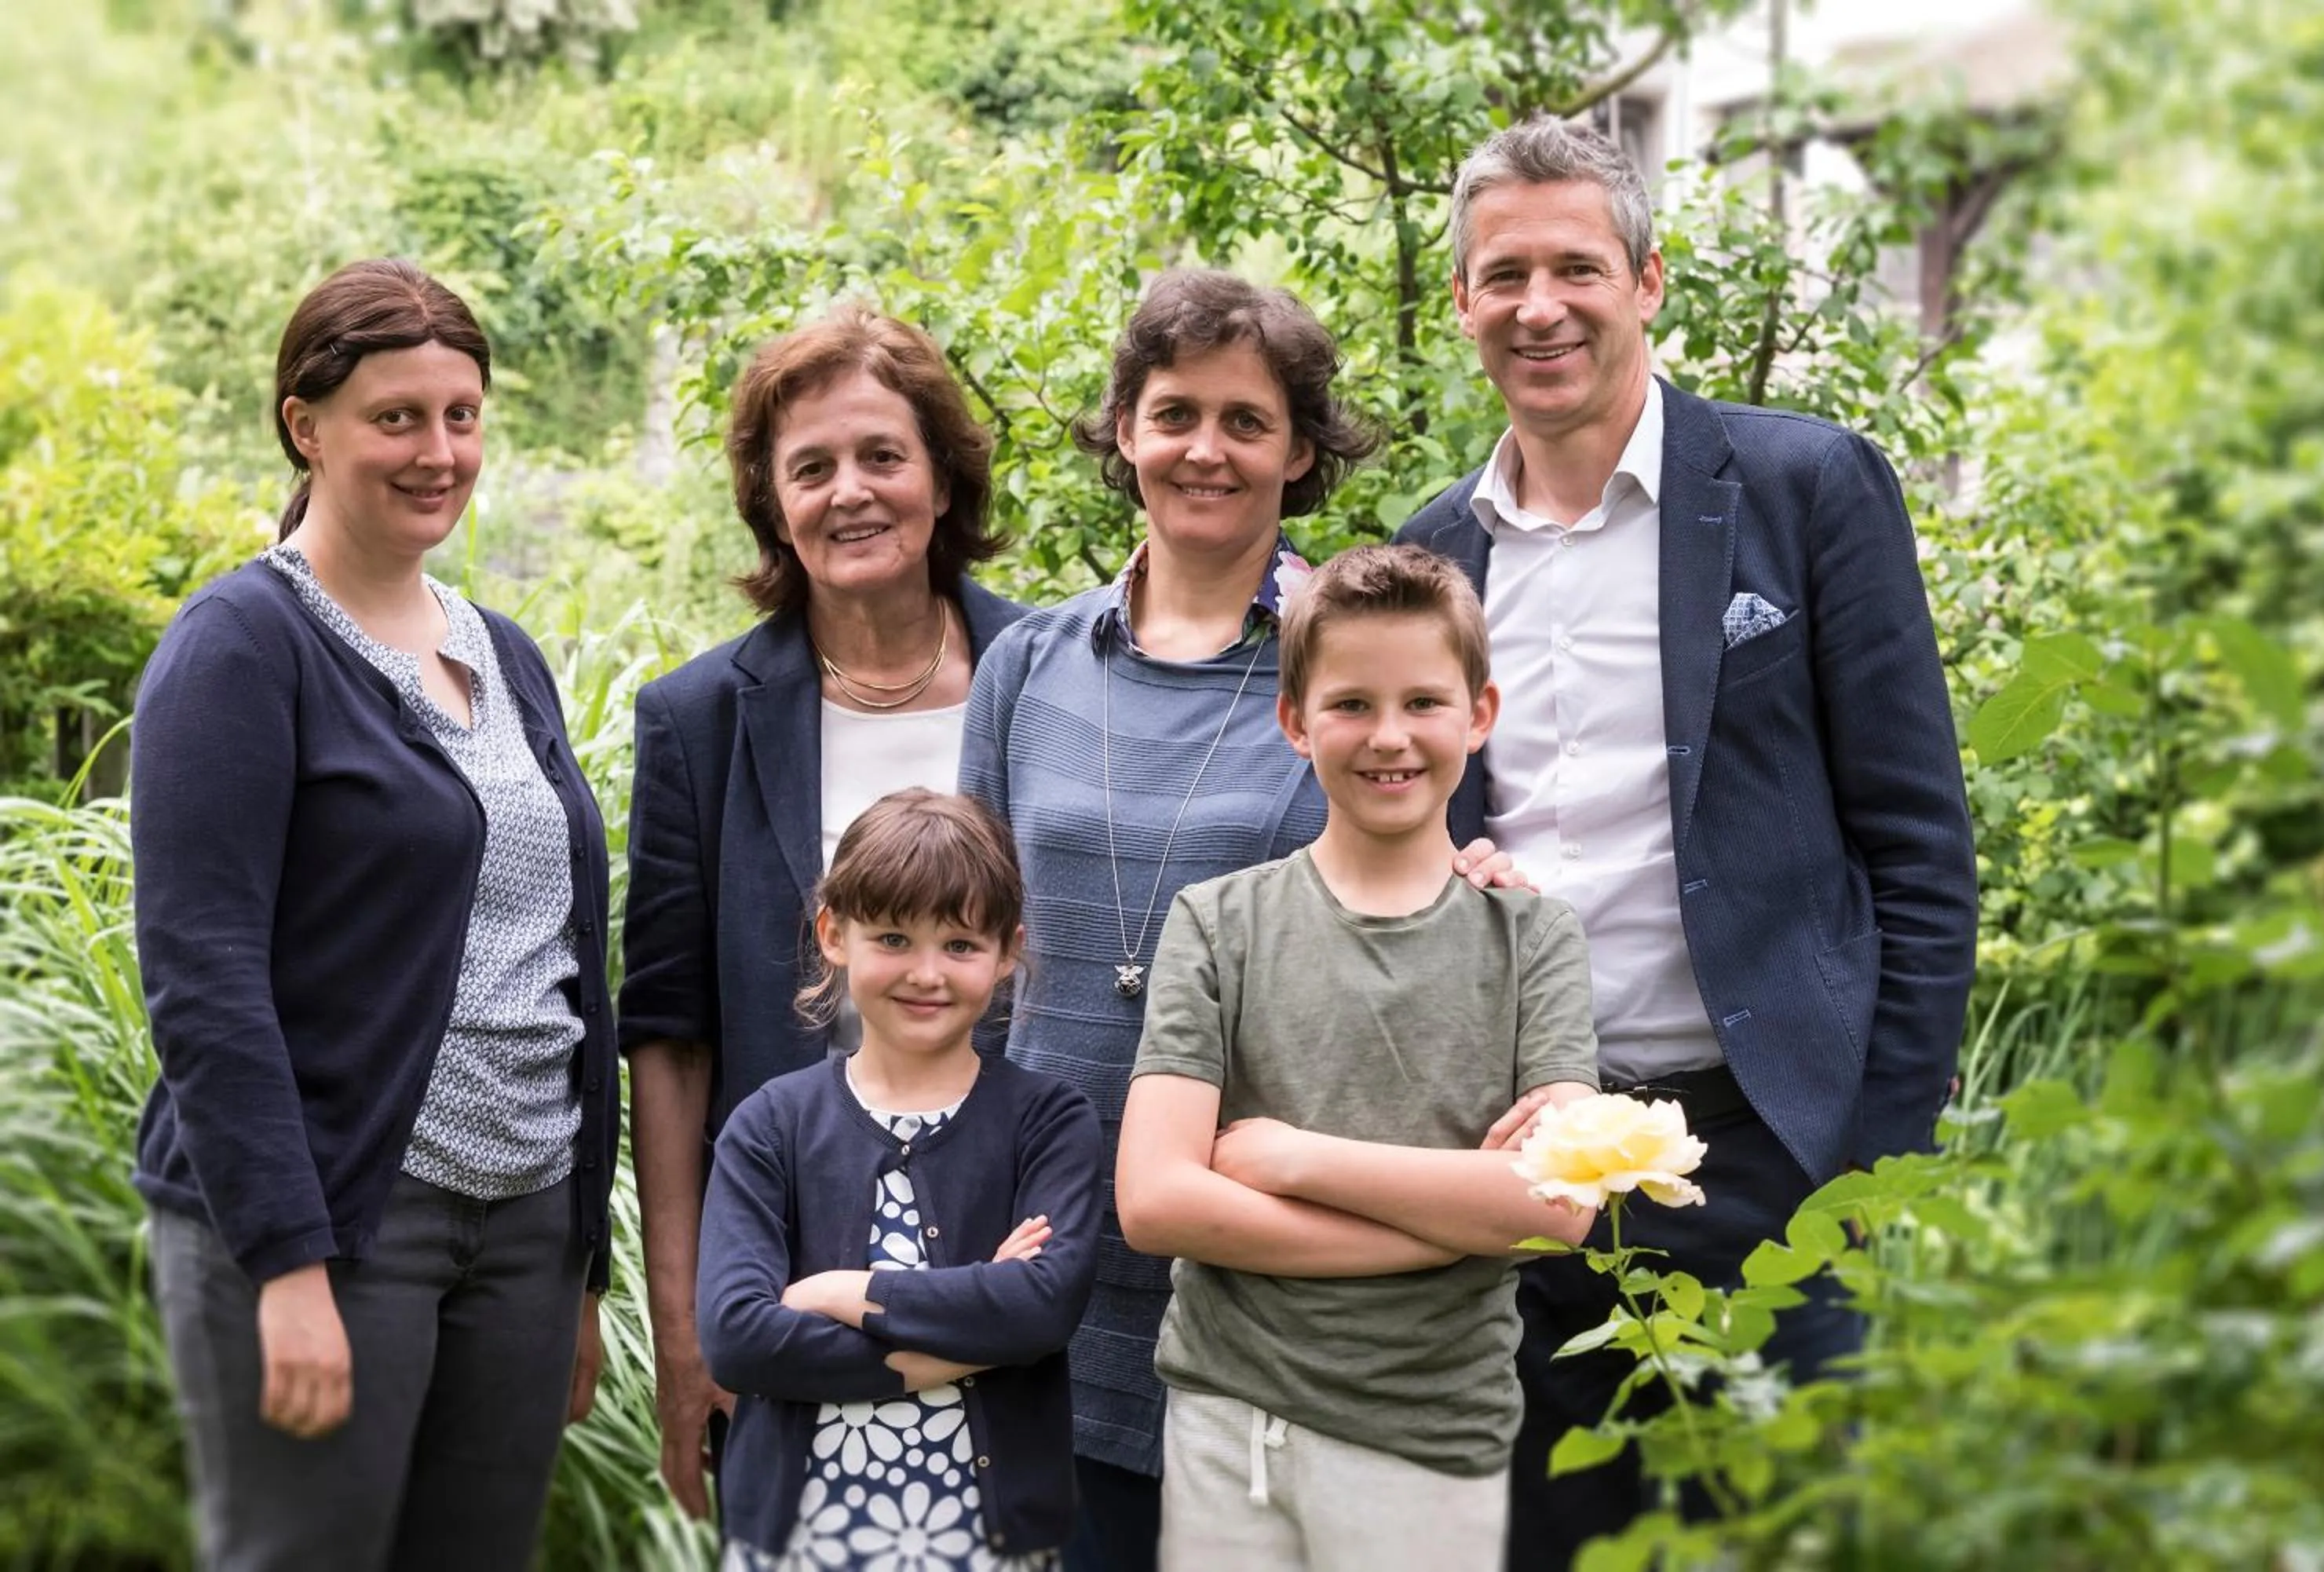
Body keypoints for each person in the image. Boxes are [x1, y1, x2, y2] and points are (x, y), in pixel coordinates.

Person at [1396, 115, 1980, 1565]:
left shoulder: (1805, 488)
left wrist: (1864, 1172)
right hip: (1528, 1179)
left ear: (1649, 280)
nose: (1542, 306)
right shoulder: (1433, 553)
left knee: (1787, 1542)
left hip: (1766, 1155)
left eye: (1577, 266)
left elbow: (1918, 846)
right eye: (1505, 273)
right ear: (1462, 303)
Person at [130, 258, 616, 1570]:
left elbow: (562, 950)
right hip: (338, 1217)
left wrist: (579, 1262)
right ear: (308, 423)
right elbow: (202, 971)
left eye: (461, 415)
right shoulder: (241, 646)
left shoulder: (501, 650)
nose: (439, 451)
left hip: (521, 1220)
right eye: (397, 417)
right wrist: (284, 1264)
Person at [1116, 543, 1601, 1571]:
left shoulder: (1535, 937)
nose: (1390, 736)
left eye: (1425, 701)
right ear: (1295, 721)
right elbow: (1156, 1201)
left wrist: (1297, 1159)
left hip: (1431, 1434)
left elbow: (1559, 1204)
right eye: (1351, 704)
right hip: (1228, 1424)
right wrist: (1454, 1221)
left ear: (1479, 713)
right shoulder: (1217, 925)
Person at [621, 304, 1029, 1519]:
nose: (850, 493)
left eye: (882, 456)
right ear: (771, 500)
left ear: (943, 478)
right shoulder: (700, 720)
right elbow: (673, 1034)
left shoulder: (1052, 669)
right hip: (789, 1286)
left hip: (1019, 1266)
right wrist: (688, 1327)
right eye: (811, 467)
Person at [696, 788, 1103, 1570]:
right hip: (799, 1544)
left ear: (1008, 949)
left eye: (960, 944)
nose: (927, 973)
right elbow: (739, 1339)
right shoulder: (771, 1125)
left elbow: (1043, 1307)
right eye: (892, 936)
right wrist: (976, 1326)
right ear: (834, 933)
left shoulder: (1049, 1121)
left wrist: (838, 1292)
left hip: (989, 1547)